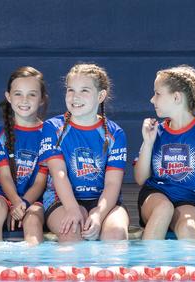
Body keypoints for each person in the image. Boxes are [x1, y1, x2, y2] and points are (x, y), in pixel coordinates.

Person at [134, 65, 195, 240]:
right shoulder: (157, 131)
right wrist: (148, 143)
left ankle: (191, 267)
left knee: (188, 229)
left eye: (158, 94)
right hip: (156, 196)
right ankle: (150, 266)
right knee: (164, 209)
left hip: (190, 200)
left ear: (176, 97)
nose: (152, 100)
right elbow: (140, 179)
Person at [39, 63, 128, 242]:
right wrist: (72, 209)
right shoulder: (53, 128)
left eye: (84, 91)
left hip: (103, 201)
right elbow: (59, 173)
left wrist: (99, 214)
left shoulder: (115, 133)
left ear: (101, 95)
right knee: (72, 232)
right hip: (61, 200)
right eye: (70, 90)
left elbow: (112, 183)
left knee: (116, 233)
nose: (75, 97)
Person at [0, 66, 48, 244]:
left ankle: (33, 269)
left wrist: (24, 204)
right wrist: (15, 201)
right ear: (8, 97)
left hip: (35, 199)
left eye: (32, 94)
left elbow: (40, 181)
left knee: (33, 220)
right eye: (18, 94)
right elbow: (4, 177)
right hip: (5, 194)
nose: (24, 100)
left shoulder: (49, 133)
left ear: (42, 99)